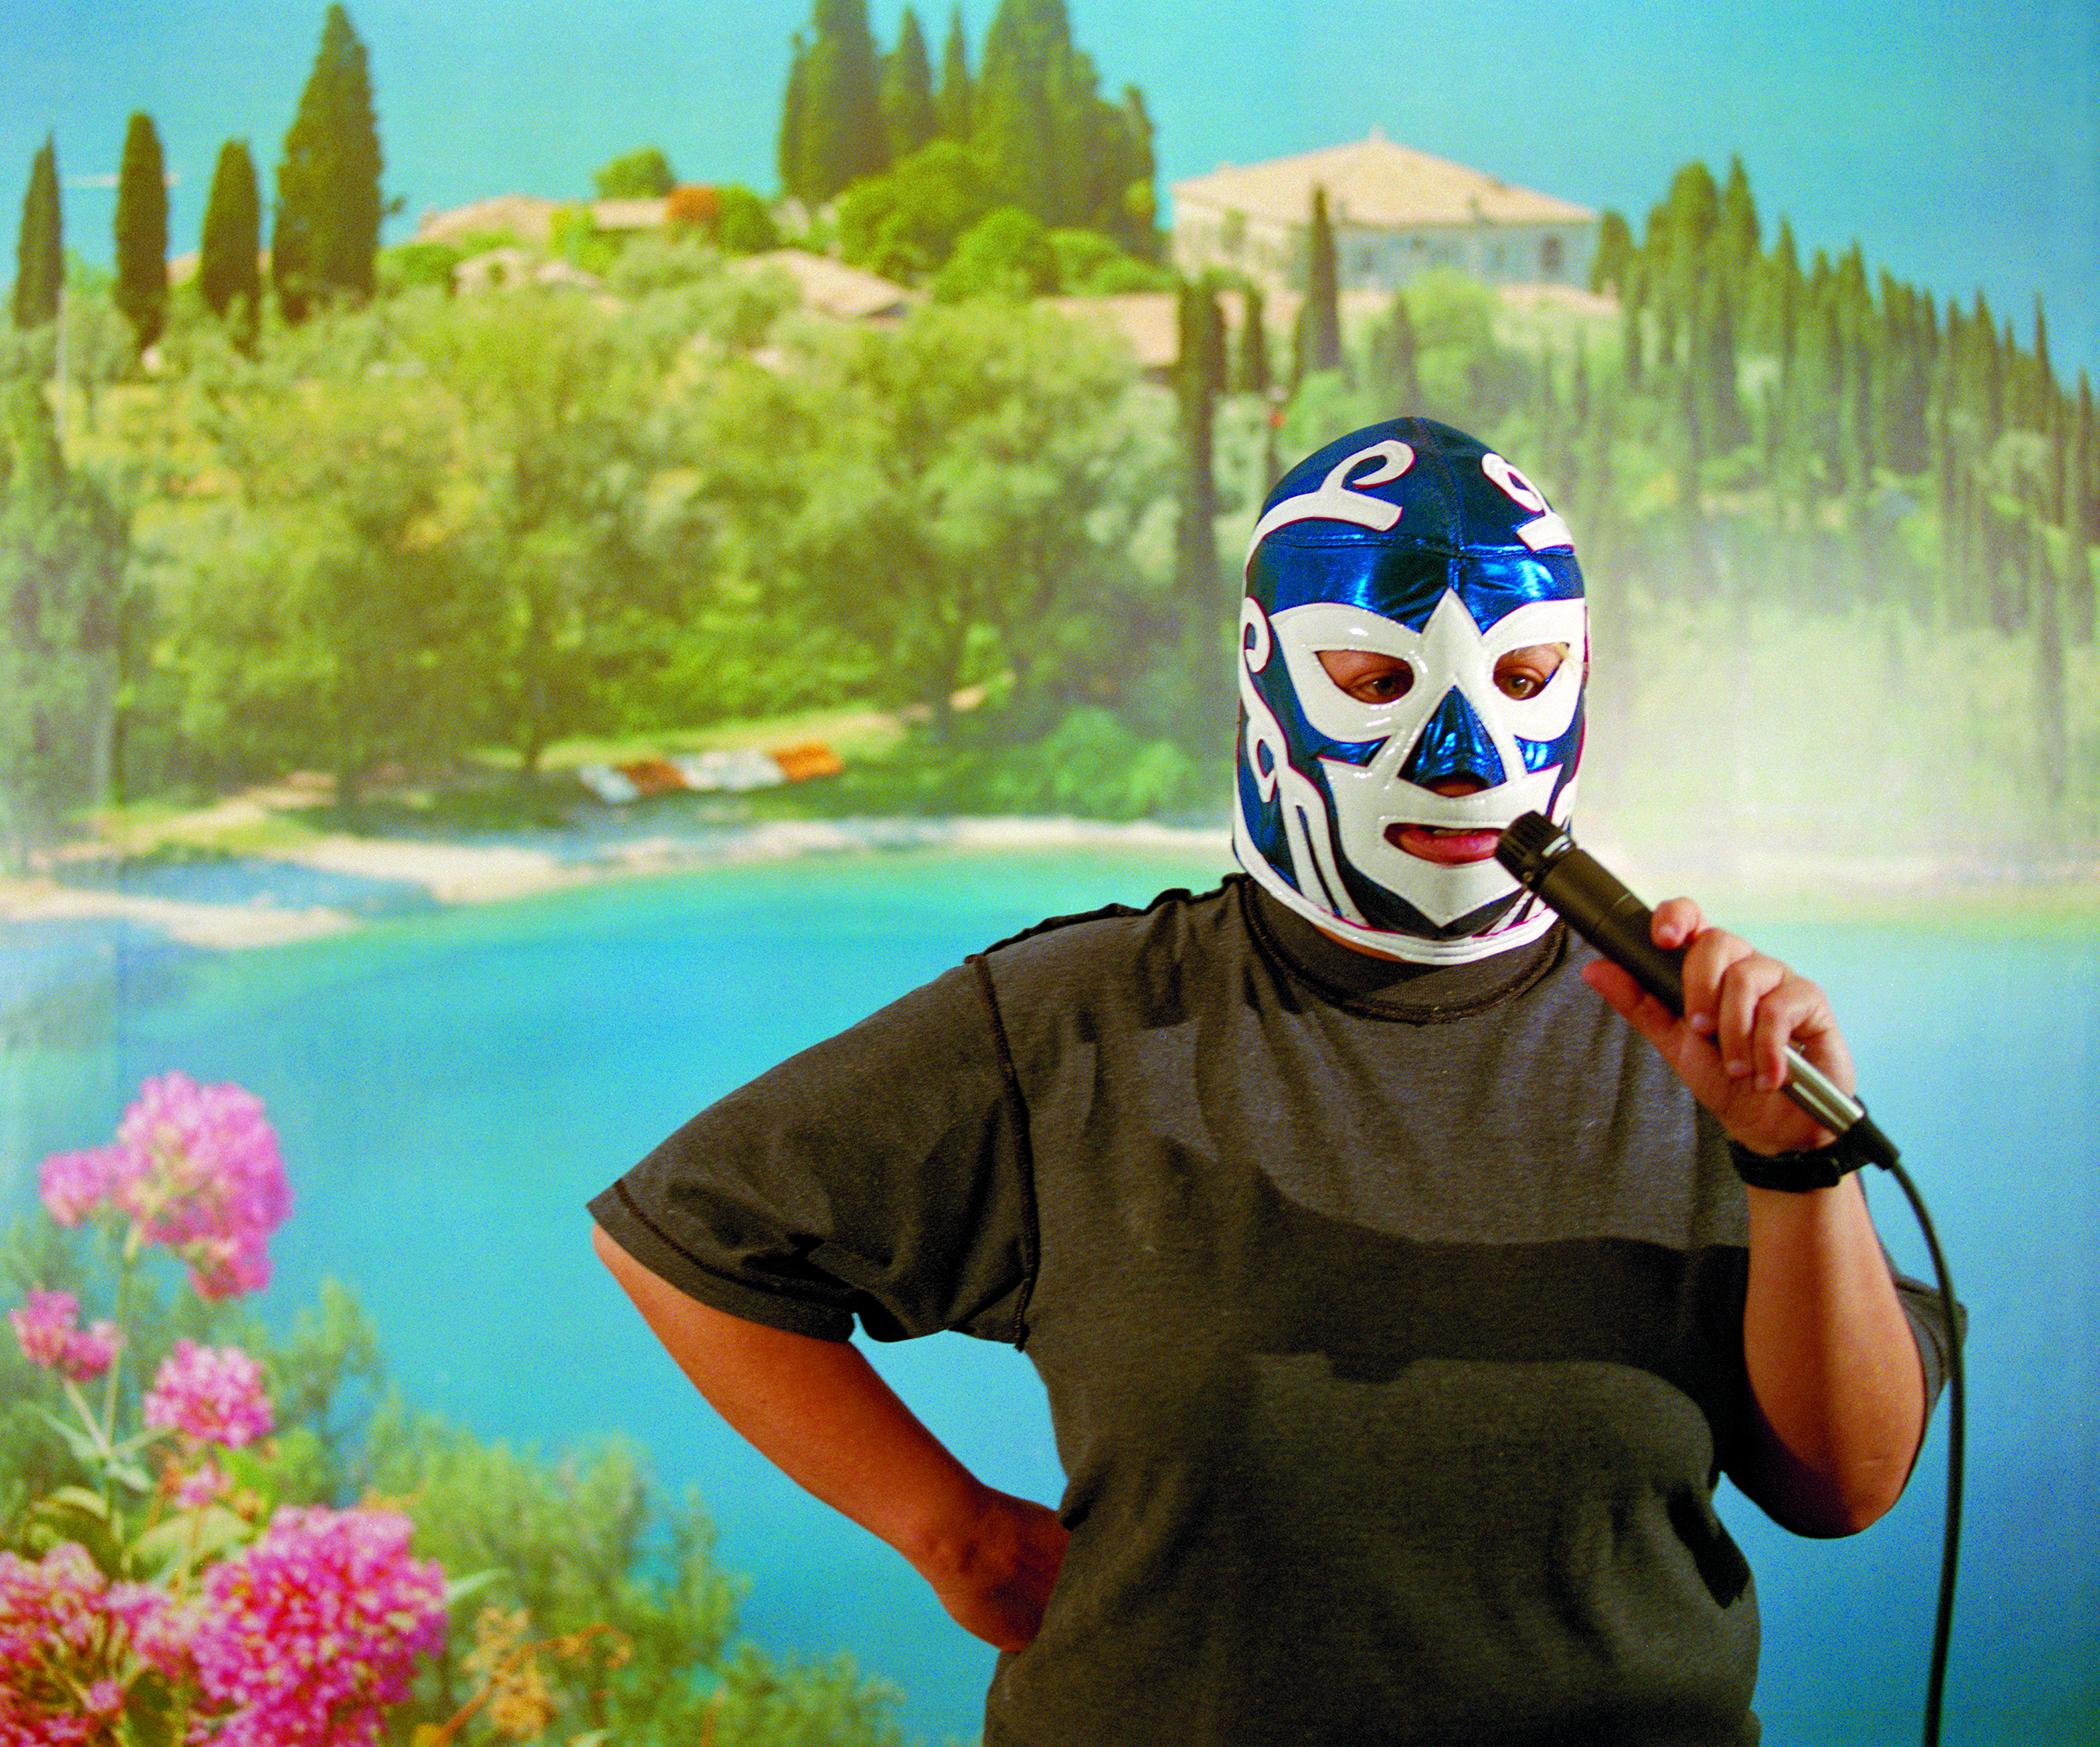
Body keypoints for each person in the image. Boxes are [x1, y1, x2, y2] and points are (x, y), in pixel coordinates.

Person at [586, 417, 1959, 1746]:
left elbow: (1841, 1488)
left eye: (1524, 679)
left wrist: (1793, 1163)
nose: (1465, 753)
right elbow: (687, 1230)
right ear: (1262, 675)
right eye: (1374, 680)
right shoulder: (1085, 1023)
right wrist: (955, 1536)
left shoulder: (1694, 1051)